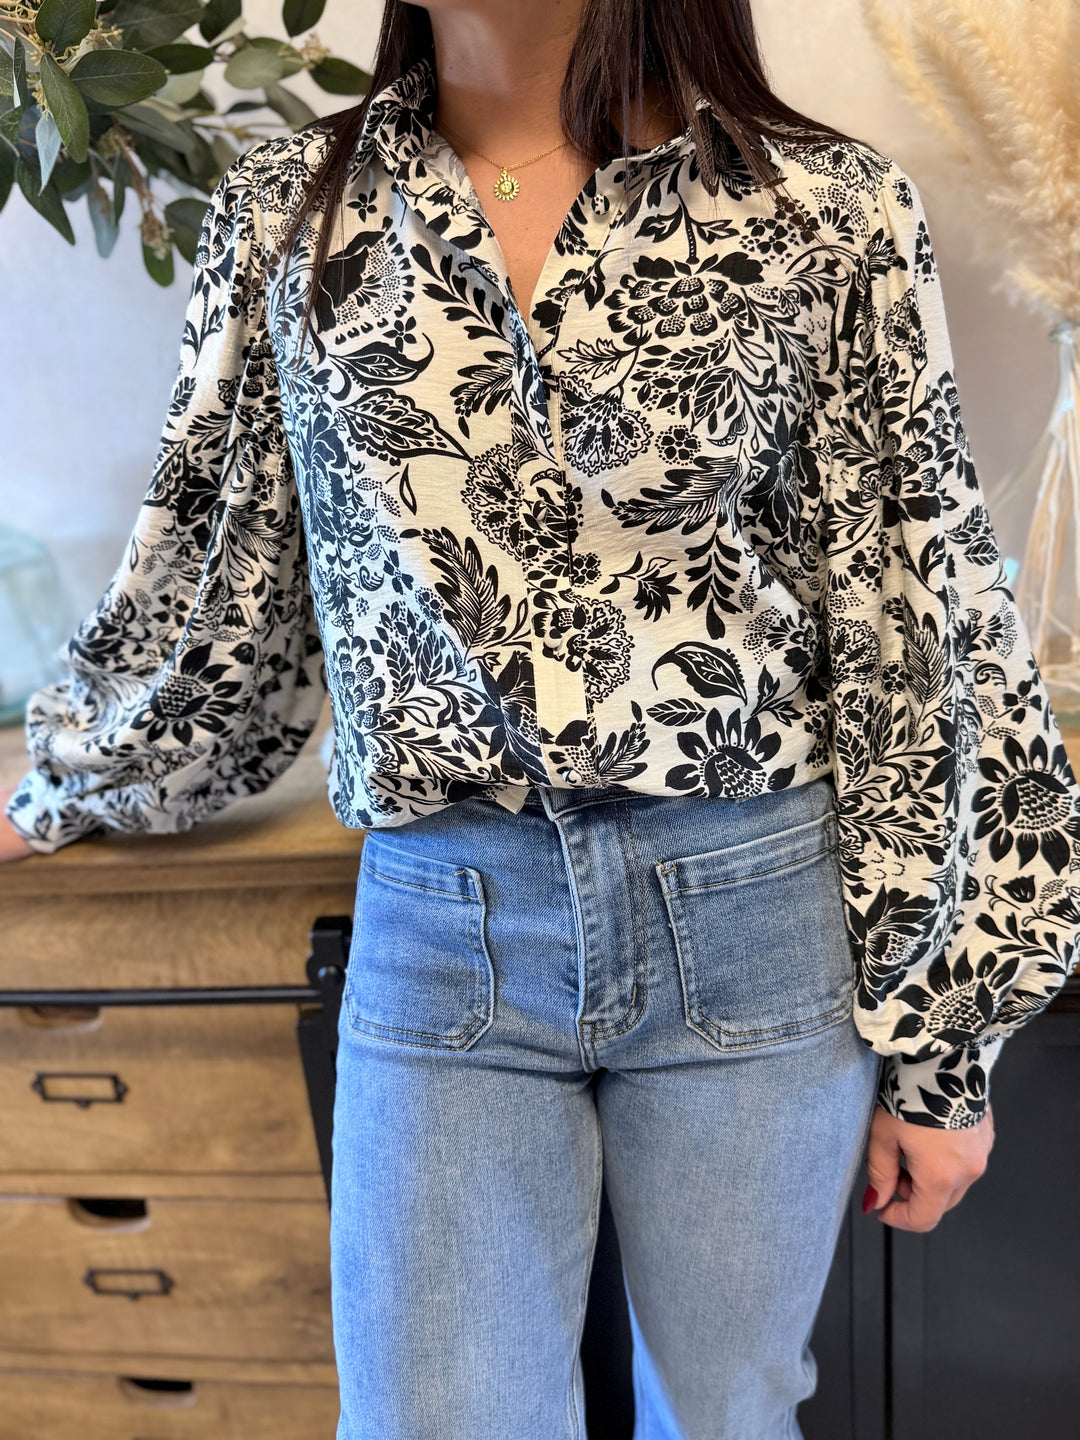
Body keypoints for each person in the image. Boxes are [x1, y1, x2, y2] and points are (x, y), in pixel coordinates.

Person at [3, 1, 1079, 1435]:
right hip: (447, 918)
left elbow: (917, 611)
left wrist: (945, 1045)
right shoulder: (293, 215)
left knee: (725, 1416)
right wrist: (57, 785)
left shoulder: (819, 208)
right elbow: (215, 566)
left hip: (750, 907)